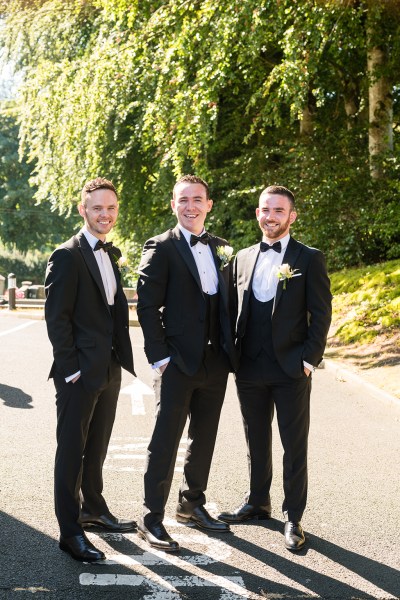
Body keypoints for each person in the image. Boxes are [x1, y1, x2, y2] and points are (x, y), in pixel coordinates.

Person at [218, 185, 332, 551]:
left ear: (291, 216)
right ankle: (257, 501)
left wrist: (309, 360)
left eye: (279, 211)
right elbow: (230, 307)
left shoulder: (309, 258)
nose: (271, 216)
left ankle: (294, 517)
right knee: (256, 438)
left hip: (291, 368)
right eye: (266, 210)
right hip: (249, 366)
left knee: (293, 444)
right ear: (257, 214)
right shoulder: (243, 257)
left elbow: (322, 313)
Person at [136, 174, 236, 552]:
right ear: (174, 205)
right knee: (165, 440)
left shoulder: (223, 247)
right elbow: (146, 306)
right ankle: (151, 518)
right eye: (183, 200)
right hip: (176, 362)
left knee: (204, 437)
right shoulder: (160, 247)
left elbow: (228, 305)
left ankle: (191, 504)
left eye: (197, 200)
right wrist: (160, 357)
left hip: (216, 362)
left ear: (209, 204)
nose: (190, 206)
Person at [45, 177, 136, 562]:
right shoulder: (67, 255)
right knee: (72, 451)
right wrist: (71, 370)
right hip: (79, 374)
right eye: (97, 207)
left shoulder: (108, 253)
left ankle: (95, 509)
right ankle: (70, 531)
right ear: (83, 210)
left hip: (109, 368)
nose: (105, 214)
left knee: (97, 447)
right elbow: (57, 318)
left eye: (111, 208)